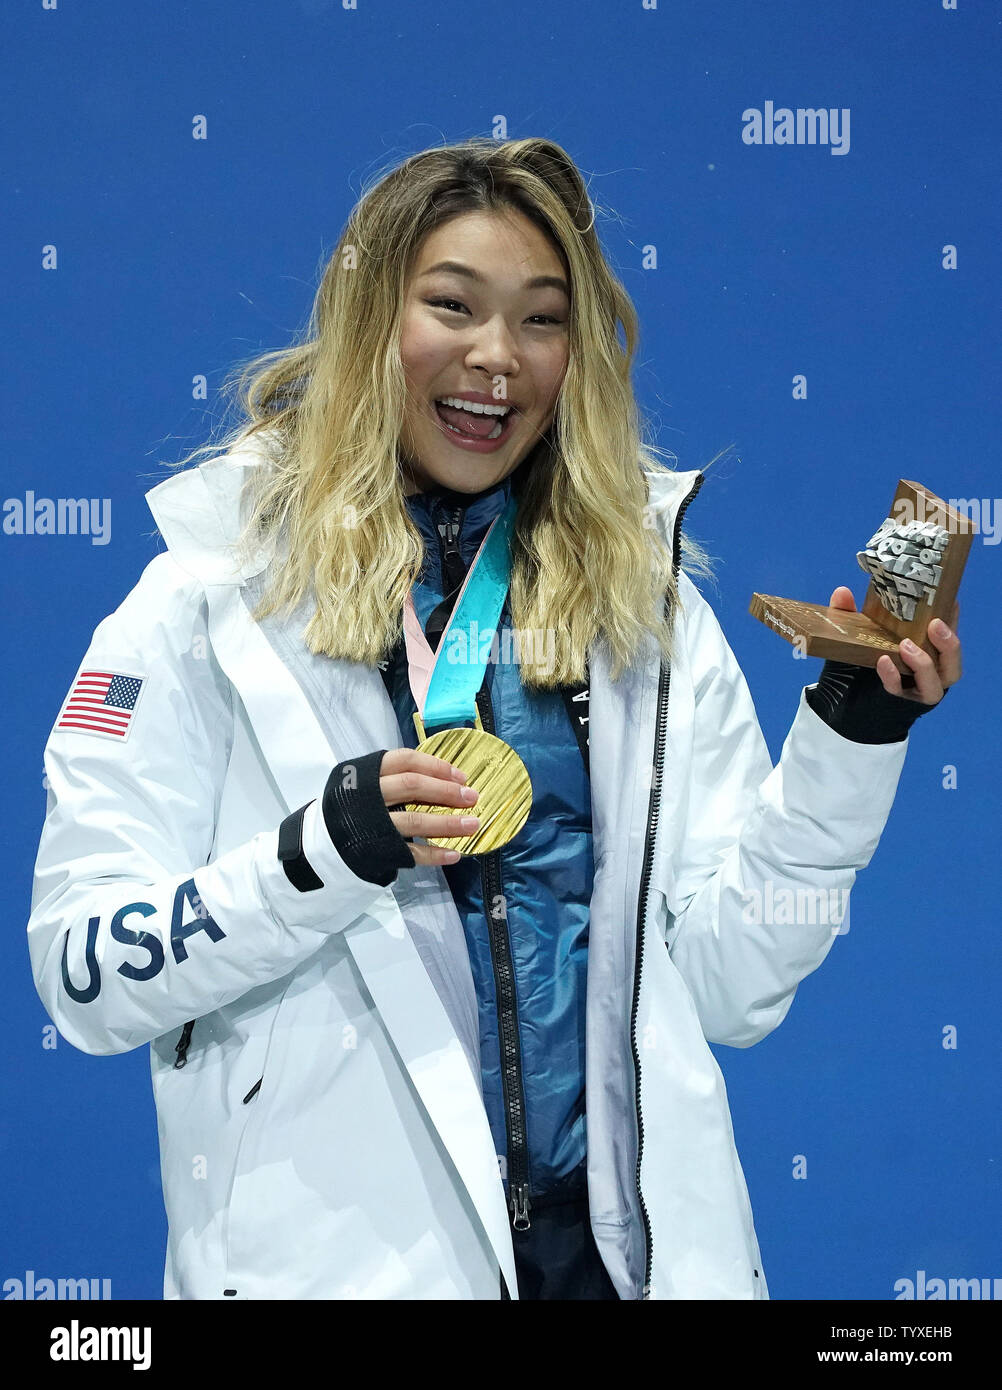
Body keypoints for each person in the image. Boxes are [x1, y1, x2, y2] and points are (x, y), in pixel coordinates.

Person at [26, 137, 962, 1301]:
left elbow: (731, 986)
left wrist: (850, 737)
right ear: (372, 319)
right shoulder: (205, 602)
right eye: (451, 305)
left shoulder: (644, 612)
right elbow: (80, 973)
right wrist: (322, 853)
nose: (495, 358)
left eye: (541, 320)